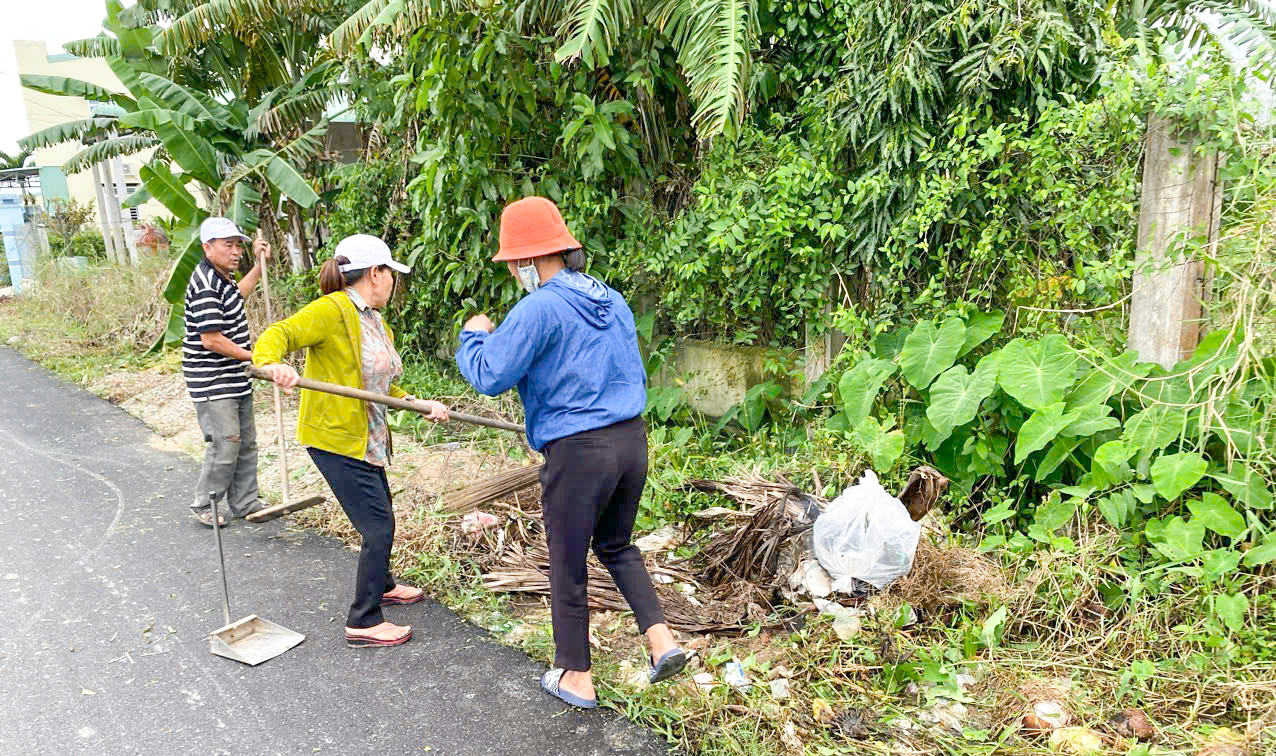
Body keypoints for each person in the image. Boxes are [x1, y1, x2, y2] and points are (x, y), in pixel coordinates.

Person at [456, 196, 686, 708]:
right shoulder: (611, 298)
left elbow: (491, 375)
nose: (515, 273)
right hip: (631, 440)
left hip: (580, 450)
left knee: (566, 560)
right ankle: (661, 642)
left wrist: (472, 337)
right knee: (617, 544)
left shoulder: (539, 307)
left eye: (515, 264)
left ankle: (575, 676)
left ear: (529, 262)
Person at [253, 234, 450, 648]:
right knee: (377, 524)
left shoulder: (375, 319)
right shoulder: (333, 309)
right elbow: (279, 333)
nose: (394, 282)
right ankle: (363, 619)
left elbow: (380, 385)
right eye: (391, 274)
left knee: (383, 513)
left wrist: (417, 403)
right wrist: (272, 366)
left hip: (369, 436)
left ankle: (382, 584)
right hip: (336, 438)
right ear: (375, 274)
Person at [183, 217, 271, 528]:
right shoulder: (206, 283)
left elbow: (238, 296)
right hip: (212, 380)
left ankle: (246, 501)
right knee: (226, 442)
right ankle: (205, 503)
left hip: (235, 376)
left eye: (237, 245)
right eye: (227, 245)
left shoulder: (223, 278)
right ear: (207, 248)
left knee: (246, 441)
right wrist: (257, 357)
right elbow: (211, 339)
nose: (235, 252)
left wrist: (258, 267)